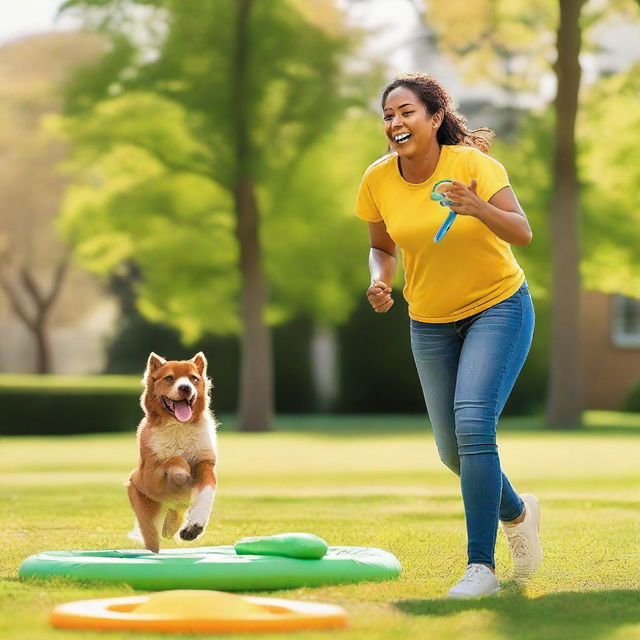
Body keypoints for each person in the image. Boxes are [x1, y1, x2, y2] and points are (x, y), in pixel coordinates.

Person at [354, 73, 542, 599]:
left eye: (407, 111)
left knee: (474, 426)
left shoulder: (474, 165)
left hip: (498, 307)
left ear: (435, 118)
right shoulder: (377, 178)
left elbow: (522, 231)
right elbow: (382, 245)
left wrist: (477, 206)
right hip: (430, 320)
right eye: (388, 115)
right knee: (452, 452)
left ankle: (480, 567)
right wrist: (379, 279)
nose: (395, 122)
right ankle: (518, 512)